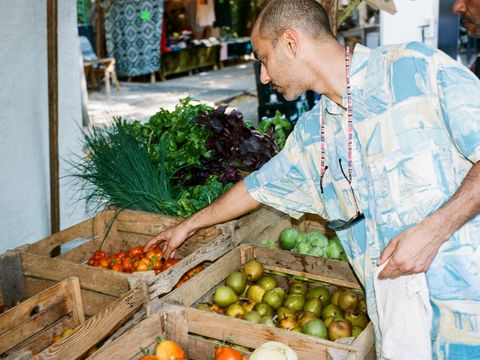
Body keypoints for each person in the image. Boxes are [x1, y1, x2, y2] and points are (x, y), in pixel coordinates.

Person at [145, 0, 480, 357]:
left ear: (290, 43)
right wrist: (188, 225)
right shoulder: (312, 134)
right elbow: (256, 187)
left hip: (468, 319)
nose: (263, 76)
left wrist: (435, 229)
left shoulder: (417, 69)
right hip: (401, 330)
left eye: (262, 58)